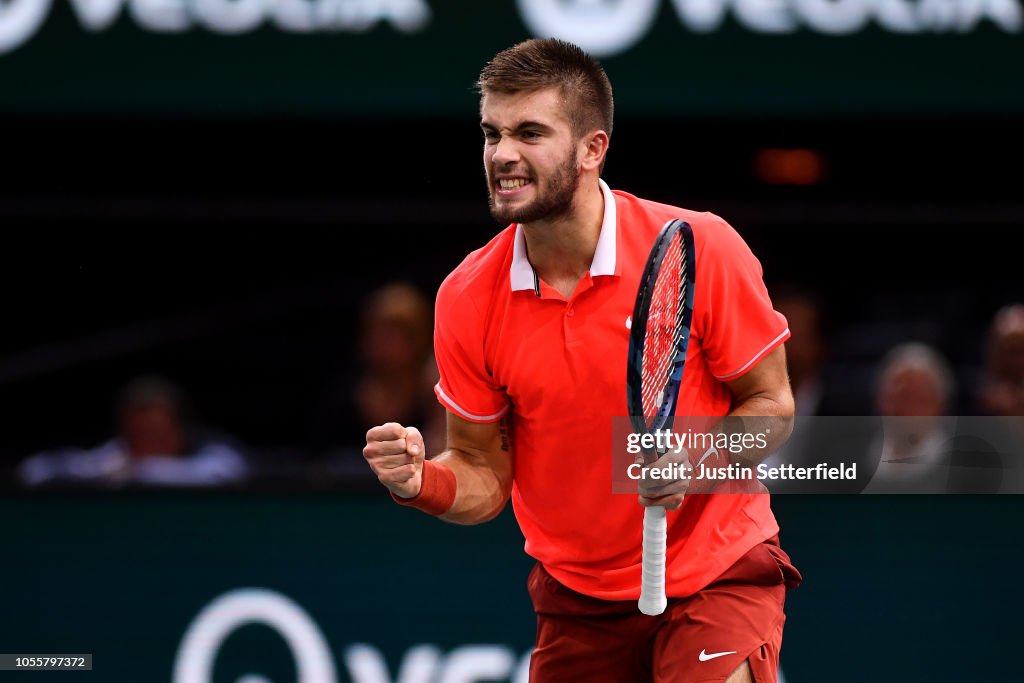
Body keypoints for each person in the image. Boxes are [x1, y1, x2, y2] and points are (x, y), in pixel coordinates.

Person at [363, 39, 800, 682]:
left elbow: (772, 407)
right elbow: (485, 471)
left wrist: (695, 458)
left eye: (530, 132)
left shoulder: (701, 245)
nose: (502, 154)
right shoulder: (466, 296)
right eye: (492, 133)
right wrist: (420, 480)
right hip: (578, 599)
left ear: (593, 149)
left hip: (717, 570)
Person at [18, 375, 248, 488]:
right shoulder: (116, 457)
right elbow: (38, 469)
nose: (147, 439)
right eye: (139, 432)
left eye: (156, 431)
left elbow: (227, 470)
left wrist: (141, 471)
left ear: (177, 426)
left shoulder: (211, 450)